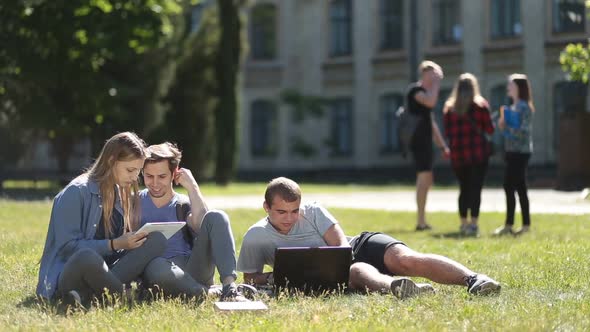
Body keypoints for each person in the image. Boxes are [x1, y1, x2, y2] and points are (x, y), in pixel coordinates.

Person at [237, 177, 501, 299]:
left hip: (356, 246)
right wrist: (277, 276)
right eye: (281, 212)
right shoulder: (256, 237)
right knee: (359, 271)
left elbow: (341, 247)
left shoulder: (314, 211)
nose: (289, 218)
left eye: (295, 211)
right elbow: (250, 279)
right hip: (335, 274)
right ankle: (401, 288)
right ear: (266, 207)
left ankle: (475, 279)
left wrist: (333, 263)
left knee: (405, 259)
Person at [36, 132, 166, 307]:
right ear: (111, 160)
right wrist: (114, 244)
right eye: (130, 170)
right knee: (88, 257)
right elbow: (67, 249)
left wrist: (131, 243)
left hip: (105, 270)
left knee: (156, 239)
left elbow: (114, 254)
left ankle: (93, 293)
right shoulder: (75, 192)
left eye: (138, 171)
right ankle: (120, 296)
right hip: (72, 273)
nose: (135, 177)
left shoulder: (120, 191)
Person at [139, 142, 249, 301]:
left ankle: (229, 288)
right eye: (149, 176)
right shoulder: (134, 202)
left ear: (174, 173)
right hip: (159, 274)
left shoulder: (182, 203)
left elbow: (201, 224)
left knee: (217, 216)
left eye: (162, 176)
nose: (155, 183)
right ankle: (207, 293)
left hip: (193, 269)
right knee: (157, 265)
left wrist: (192, 187)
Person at [443, 73, 494, 236]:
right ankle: (474, 224)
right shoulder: (481, 106)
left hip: (458, 155)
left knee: (463, 189)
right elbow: (490, 130)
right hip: (479, 154)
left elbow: (448, 133)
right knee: (475, 189)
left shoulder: (449, 109)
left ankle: (463, 223)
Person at [407, 61, 450, 231]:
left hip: (426, 142)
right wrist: (437, 83)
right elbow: (431, 102)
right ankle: (420, 221)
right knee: (424, 178)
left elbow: (431, 124)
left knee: (428, 179)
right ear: (425, 74)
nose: (436, 78)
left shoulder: (425, 93)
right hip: (418, 142)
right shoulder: (415, 91)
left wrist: (442, 146)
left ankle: (422, 219)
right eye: (433, 74)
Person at [494, 74, 535, 236]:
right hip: (511, 151)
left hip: (521, 152)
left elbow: (523, 131)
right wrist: (502, 125)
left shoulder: (525, 107)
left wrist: (507, 126)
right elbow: (509, 132)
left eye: (510, 85)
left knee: (513, 186)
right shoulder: (512, 106)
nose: (508, 88)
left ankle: (515, 225)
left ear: (519, 87)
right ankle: (518, 225)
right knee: (517, 187)